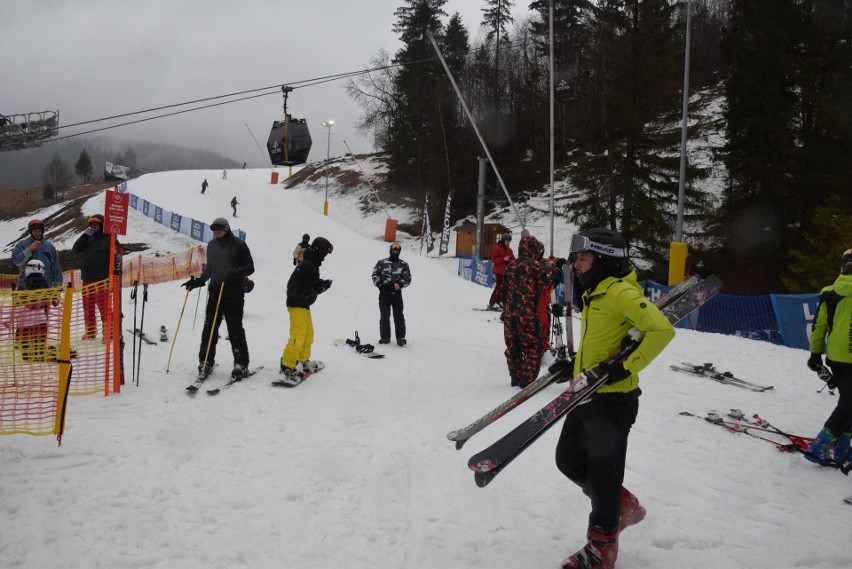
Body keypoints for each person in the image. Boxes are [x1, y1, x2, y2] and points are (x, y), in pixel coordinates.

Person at [551, 228, 675, 569]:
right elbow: (604, 341)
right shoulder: (597, 293)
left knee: (604, 476)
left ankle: (601, 549)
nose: (577, 265)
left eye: (583, 258)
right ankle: (620, 505)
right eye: (577, 258)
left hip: (613, 402)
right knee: (567, 459)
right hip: (587, 394)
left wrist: (627, 367)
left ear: (602, 261)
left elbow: (662, 329)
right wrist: (574, 365)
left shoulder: (620, 292)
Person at [181, 217, 255, 380]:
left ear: (227, 229)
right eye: (214, 231)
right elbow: (210, 269)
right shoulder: (212, 245)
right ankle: (206, 361)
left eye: (219, 230)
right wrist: (198, 282)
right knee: (210, 327)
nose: (216, 233)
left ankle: (241, 364)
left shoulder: (239, 245)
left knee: (234, 328)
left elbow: (250, 267)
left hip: (233, 293)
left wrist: (234, 272)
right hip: (215, 291)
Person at [805, 248, 852, 466]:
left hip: (837, 356)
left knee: (848, 400)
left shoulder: (829, 292)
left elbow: (819, 327)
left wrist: (815, 354)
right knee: (848, 403)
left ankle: (841, 446)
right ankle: (821, 444)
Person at [278, 237, 333, 385]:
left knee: (308, 335)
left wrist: (321, 284)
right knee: (298, 336)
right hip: (297, 304)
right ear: (319, 250)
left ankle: (303, 360)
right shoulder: (308, 264)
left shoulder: (312, 264)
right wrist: (319, 289)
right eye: (325, 253)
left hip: (303, 304)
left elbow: (309, 283)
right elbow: (295, 285)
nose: (325, 256)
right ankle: (287, 366)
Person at [501, 235, 555, 388]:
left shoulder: (510, 266)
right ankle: (527, 381)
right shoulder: (537, 267)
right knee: (532, 347)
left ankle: (515, 377)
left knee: (513, 347)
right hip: (529, 315)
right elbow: (550, 284)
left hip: (510, 315)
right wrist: (556, 272)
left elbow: (503, 292)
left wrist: (511, 306)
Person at [72, 214, 122, 341]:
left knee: (104, 307)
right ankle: (90, 331)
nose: (94, 227)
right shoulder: (88, 238)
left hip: (102, 279)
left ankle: (108, 333)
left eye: (96, 224)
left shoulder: (110, 239)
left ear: (102, 225)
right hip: (87, 278)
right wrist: (84, 235)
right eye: (92, 225)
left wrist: (115, 275)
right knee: (88, 307)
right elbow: (75, 249)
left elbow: (118, 256)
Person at [371, 242, 412, 346]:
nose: (395, 253)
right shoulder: (381, 263)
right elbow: (375, 274)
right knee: (384, 316)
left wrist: (399, 285)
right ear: (390, 251)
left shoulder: (403, 265)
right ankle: (385, 337)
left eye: (397, 252)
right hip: (384, 294)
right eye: (393, 251)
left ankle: (400, 338)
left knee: (398, 316)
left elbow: (408, 279)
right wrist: (380, 284)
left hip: (396, 294)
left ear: (399, 252)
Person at [11, 218, 63, 289]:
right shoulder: (22, 244)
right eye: (35, 231)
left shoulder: (49, 246)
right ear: (31, 232)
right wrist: (29, 249)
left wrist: (58, 282)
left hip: (46, 285)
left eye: (39, 231)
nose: (37, 233)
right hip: (26, 285)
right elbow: (16, 261)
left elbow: (56, 266)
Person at [487, 234, 514, 310]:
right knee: (499, 286)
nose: (507, 243)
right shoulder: (497, 248)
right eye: (506, 241)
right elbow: (494, 260)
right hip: (499, 271)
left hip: (506, 271)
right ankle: (492, 302)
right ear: (503, 241)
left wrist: (511, 260)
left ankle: (498, 301)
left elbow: (513, 259)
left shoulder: (510, 250)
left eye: (509, 242)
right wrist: (503, 259)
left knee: (504, 287)